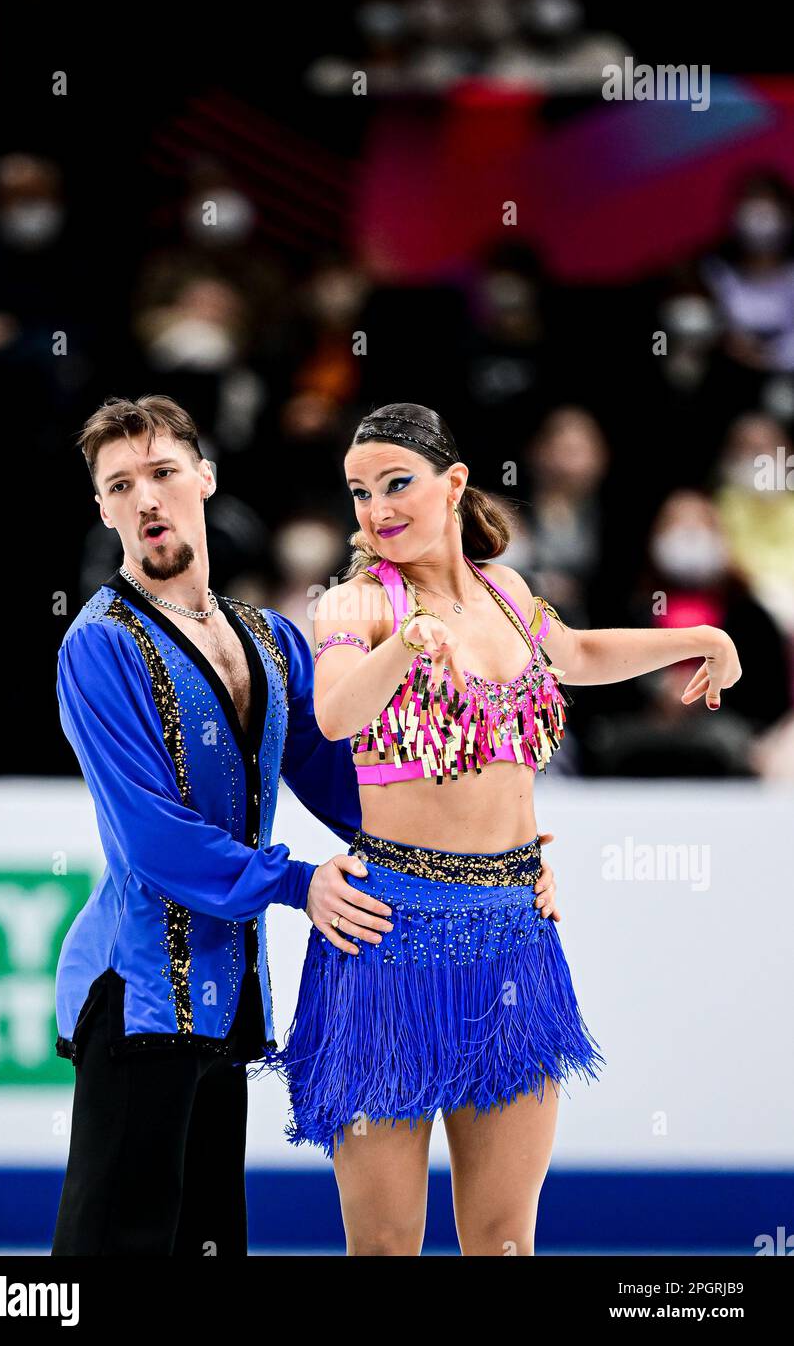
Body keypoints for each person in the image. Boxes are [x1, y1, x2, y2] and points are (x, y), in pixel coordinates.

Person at [269, 402, 742, 1257]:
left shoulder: (507, 589)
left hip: (515, 933)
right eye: (360, 491)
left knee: (504, 1242)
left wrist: (698, 638)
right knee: (383, 1247)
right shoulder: (352, 607)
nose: (376, 509)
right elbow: (335, 714)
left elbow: (577, 657)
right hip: (391, 939)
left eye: (396, 483)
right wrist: (403, 647)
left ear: (454, 484)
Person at [50, 393, 378, 1256]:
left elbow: (340, 783)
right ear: (103, 509)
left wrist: (455, 840)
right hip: (138, 992)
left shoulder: (271, 638)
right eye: (120, 485)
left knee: (207, 1246)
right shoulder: (100, 644)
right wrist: (299, 884)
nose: (146, 499)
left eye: (162, 473)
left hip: (229, 1001)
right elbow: (151, 836)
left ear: (205, 477)